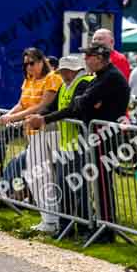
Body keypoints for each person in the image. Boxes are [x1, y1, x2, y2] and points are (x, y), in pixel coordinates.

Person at [27, 43, 131, 243]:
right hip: (95, 134)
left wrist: (85, 104)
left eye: (89, 56)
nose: (85, 59)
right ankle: (101, 227)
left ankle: (106, 230)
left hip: (104, 136)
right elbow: (80, 104)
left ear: (99, 58)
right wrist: (86, 104)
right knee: (98, 185)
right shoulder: (101, 77)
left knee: (101, 185)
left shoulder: (110, 77)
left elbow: (81, 104)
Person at [0, 48, 63, 233]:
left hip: (49, 131)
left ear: (42, 61)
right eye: (25, 63)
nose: (29, 67)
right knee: (35, 175)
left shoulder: (52, 78)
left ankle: (55, 219)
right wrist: (9, 114)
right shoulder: (28, 80)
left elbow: (42, 105)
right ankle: (48, 218)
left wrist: (14, 118)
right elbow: (22, 102)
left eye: (32, 63)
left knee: (47, 174)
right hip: (32, 133)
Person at [39, 55, 94, 237]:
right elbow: (53, 106)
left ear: (73, 70)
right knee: (64, 185)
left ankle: (85, 227)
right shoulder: (65, 85)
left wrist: (44, 118)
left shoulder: (84, 83)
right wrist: (39, 116)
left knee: (80, 187)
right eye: (61, 71)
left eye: (64, 71)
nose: (62, 75)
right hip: (66, 144)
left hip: (80, 144)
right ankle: (66, 226)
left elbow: (73, 109)